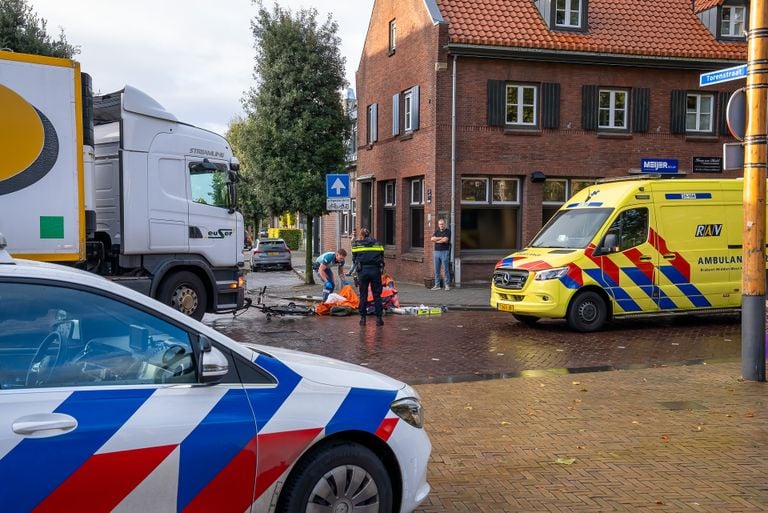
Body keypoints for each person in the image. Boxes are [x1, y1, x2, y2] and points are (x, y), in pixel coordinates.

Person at [350, 228, 385, 326]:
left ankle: (363, 318)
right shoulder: (378, 244)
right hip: (375, 271)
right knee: (377, 295)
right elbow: (382, 257)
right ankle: (379, 319)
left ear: (361, 235)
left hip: (363, 272)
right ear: (369, 234)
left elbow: (354, 259)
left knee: (363, 295)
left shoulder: (357, 245)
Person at [430, 218, 451, 290]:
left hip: (444, 252)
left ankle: (447, 285)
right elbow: (432, 239)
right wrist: (440, 238)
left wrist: (437, 240)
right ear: (438, 225)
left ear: (444, 224)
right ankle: (437, 285)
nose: (441, 225)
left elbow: (445, 240)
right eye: (440, 224)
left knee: (445, 269)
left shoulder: (448, 231)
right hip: (436, 252)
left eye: (442, 224)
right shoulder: (437, 231)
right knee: (436, 269)